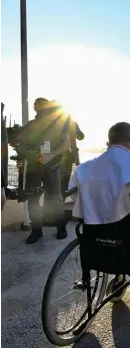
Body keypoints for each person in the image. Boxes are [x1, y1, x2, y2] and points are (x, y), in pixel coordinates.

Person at [15, 98, 72, 243]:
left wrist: (50, 156)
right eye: (37, 107)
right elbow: (20, 146)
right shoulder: (29, 126)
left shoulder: (58, 124)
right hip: (33, 168)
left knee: (55, 200)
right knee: (32, 200)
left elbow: (66, 144)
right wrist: (20, 157)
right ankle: (36, 231)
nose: (39, 109)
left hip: (52, 167)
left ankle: (61, 227)